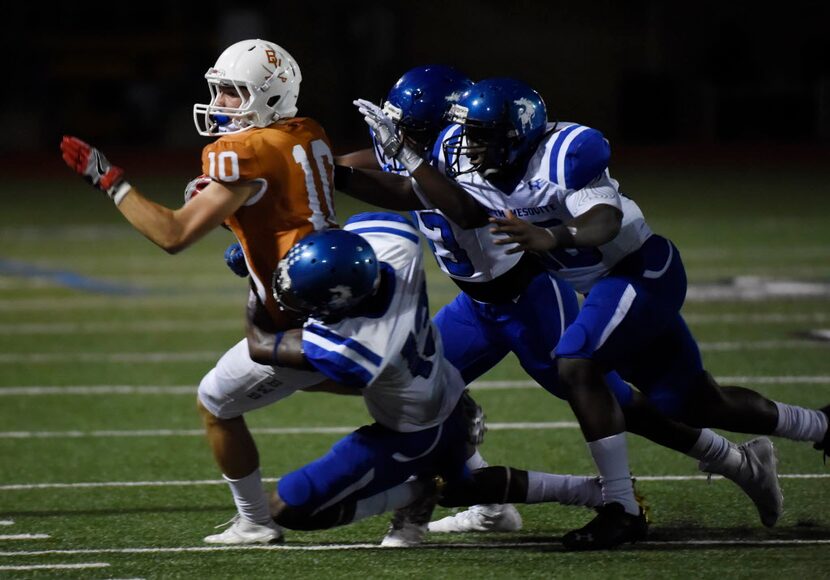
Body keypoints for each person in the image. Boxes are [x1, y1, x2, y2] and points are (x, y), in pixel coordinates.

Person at [352, 76, 828, 549]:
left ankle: (620, 506)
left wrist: (556, 237)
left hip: (632, 272)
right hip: (530, 297)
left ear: (511, 136)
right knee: (691, 401)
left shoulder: (564, 154)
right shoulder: (465, 160)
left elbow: (605, 218)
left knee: (580, 366)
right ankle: (813, 429)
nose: (468, 148)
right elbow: (419, 189)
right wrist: (314, 167)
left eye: (479, 137)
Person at [60, 38, 338, 545]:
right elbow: (291, 206)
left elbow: (172, 234)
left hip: (301, 317)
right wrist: (247, 236)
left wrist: (110, 180)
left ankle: (255, 522)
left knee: (216, 402)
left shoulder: (245, 152)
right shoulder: (304, 132)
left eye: (234, 93)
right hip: (333, 291)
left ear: (270, 98)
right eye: (219, 90)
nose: (221, 103)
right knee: (390, 390)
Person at [252, 213, 649, 543]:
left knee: (288, 508)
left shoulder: (364, 348)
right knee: (463, 488)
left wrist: (255, 286)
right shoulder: (397, 249)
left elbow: (259, 344)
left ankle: (417, 490)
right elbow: (356, 238)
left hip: (414, 433)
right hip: (447, 400)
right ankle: (592, 492)